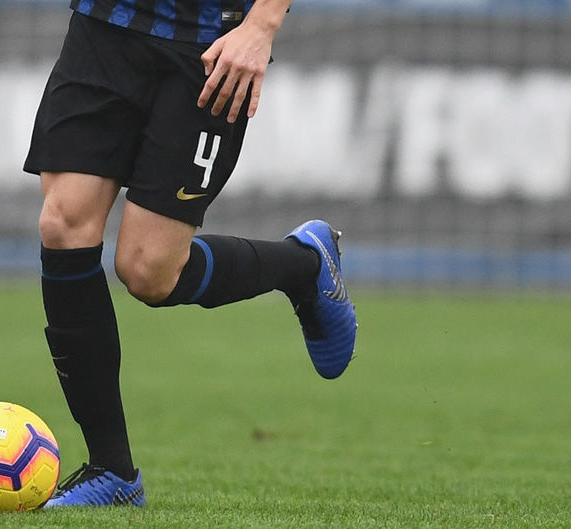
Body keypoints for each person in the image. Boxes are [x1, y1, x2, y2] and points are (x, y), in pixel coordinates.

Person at [23, 0, 358, 508]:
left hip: (207, 43)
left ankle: (304, 265)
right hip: (106, 23)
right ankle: (112, 470)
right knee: (64, 223)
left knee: (148, 271)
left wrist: (261, 25)